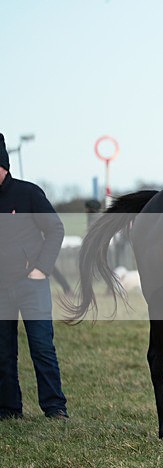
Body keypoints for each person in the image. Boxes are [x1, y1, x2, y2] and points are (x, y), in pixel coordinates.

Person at [0, 132, 69, 420]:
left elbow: (56, 229)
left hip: (32, 284)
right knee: (3, 352)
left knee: (41, 346)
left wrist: (41, 268)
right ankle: (9, 409)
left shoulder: (28, 193)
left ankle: (54, 408)